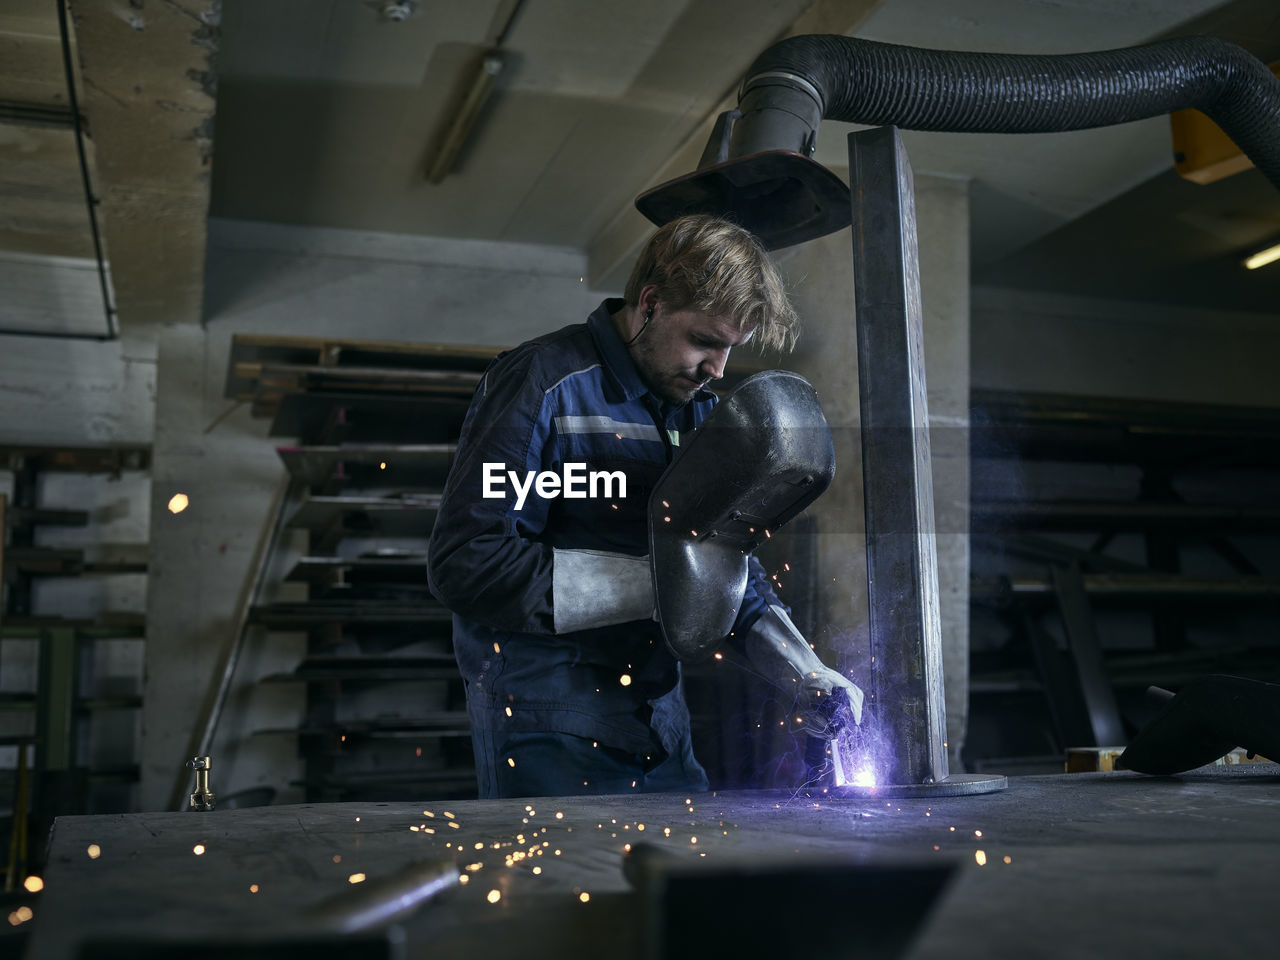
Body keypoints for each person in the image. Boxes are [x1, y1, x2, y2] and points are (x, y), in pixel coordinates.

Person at [427, 214, 862, 799]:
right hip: (547, 720)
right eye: (705, 342)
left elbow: (722, 561)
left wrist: (803, 670)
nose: (717, 370)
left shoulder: (697, 411)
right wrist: (667, 585)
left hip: (662, 720)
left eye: (731, 349)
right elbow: (468, 562)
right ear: (650, 304)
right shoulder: (543, 383)